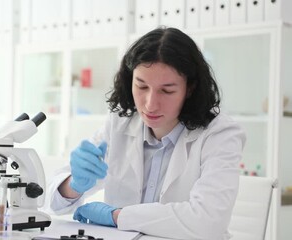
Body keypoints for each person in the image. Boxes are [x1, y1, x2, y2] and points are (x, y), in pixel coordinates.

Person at [46, 27, 246, 240]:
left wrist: (117, 216)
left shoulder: (220, 134)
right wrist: (73, 185)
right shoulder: (120, 123)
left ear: (190, 88)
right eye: (141, 86)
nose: (150, 104)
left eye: (167, 91)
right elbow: (54, 204)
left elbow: (207, 222)